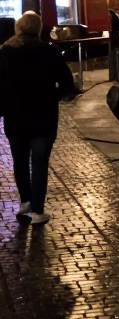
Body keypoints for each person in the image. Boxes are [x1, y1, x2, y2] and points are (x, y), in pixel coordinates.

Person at [0, 12, 76, 225]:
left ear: (19, 29)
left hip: (15, 117)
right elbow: (67, 85)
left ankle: (25, 202)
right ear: (39, 29)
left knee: (20, 162)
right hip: (43, 117)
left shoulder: (5, 53)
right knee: (40, 163)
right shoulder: (50, 53)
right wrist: (53, 97)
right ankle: (38, 211)